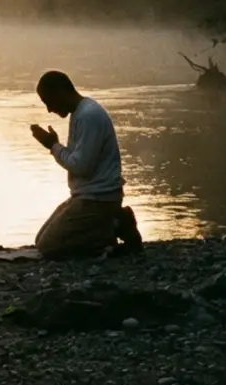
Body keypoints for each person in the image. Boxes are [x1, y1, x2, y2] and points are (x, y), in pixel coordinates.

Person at [28, 70, 144, 259]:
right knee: (41, 239)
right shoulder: (80, 113)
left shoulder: (89, 116)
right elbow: (80, 160)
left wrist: (53, 146)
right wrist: (55, 146)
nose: (49, 109)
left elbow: (82, 167)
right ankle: (107, 224)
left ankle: (114, 225)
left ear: (61, 92)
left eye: (49, 102)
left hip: (98, 198)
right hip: (86, 195)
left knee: (49, 248)